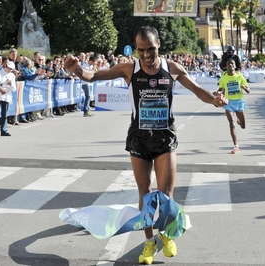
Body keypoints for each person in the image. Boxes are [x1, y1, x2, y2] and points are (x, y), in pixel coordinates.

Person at [64, 26, 227, 265]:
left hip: (165, 137)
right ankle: (149, 243)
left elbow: (198, 90)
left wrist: (214, 100)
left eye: (150, 49)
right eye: (141, 50)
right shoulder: (129, 69)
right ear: (136, 49)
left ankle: (166, 234)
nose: (146, 55)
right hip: (139, 137)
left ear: (159, 44)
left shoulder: (172, 68)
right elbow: (93, 76)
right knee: (145, 193)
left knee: (166, 194)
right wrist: (77, 69)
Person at [216, 58, 250, 154]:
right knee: (231, 123)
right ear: (226, 67)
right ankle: (236, 146)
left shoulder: (240, 77)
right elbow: (221, 89)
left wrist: (245, 88)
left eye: (232, 63)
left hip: (239, 102)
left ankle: (239, 120)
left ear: (235, 66)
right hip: (229, 102)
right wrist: (218, 93)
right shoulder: (224, 78)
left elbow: (248, 89)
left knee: (243, 126)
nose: (230, 65)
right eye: (228, 64)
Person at [0, 61, 17, 136]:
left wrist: (10, 85)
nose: (9, 70)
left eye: (11, 69)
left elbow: (14, 89)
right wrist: (2, 87)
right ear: (6, 66)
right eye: (9, 68)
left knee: (4, 114)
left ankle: (3, 130)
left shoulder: (12, 76)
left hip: (6, 96)